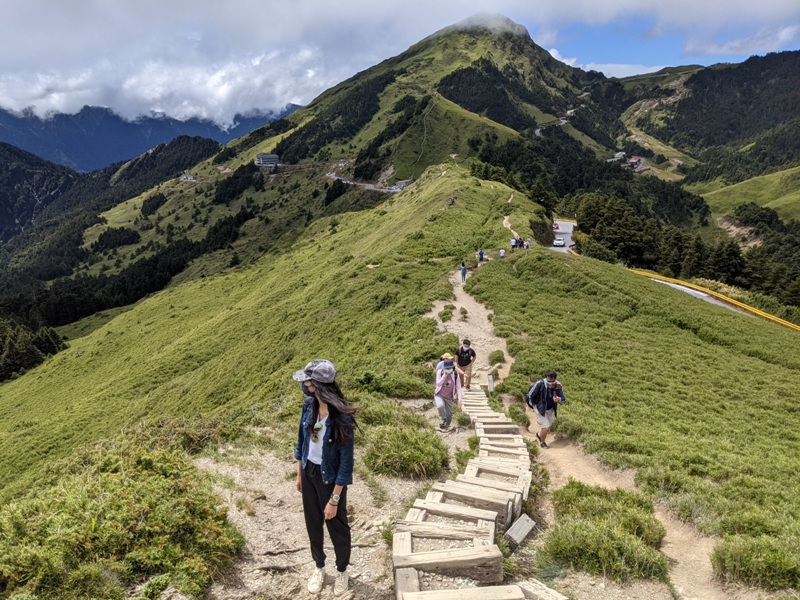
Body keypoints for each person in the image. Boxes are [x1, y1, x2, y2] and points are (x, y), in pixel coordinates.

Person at [293, 359, 358, 596]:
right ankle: (319, 567)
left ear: (318, 385)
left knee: (337, 526)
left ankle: (342, 571)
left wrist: (334, 499)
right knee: (313, 523)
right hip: (310, 472)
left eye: (308, 382)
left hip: (330, 480)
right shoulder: (308, 406)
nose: (305, 385)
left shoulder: (342, 418)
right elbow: (301, 443)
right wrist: (300, 474)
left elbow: (346, 465)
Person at [525, 371, 565, 449]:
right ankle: (542, 442)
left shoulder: (558, 385)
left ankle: (539, 435)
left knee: (548, 427)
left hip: (550, 409)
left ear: (555, 379)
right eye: (548, 380)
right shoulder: (539, 384)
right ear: (546, 377)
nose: (550, 382)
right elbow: (530, 395)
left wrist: (558, 399)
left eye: (552, 380)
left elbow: (563, 399)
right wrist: (534, 407)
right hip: (540, 409)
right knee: (545, 427)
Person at [434, 359, 462, 429]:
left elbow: (459, 388)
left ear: (452, 367)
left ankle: (446, 426)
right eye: (447, 368)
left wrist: (460, 400)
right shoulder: (439, 372)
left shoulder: (455, 374)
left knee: (449, 416)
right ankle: (443, 419)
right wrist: (445, 375)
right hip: (439, 394)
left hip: (449, 397)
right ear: (444, 368)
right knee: (440, 406)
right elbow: (438, 384)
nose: (449, 369)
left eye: (450, 368)